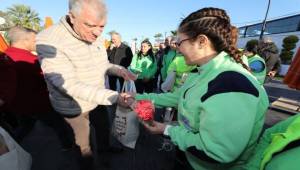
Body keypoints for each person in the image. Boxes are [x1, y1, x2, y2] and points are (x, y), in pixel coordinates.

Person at [123, 7, 269, 169]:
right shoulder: (201, 71)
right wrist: (136, 97)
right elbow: (177, 97)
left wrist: (167, 130)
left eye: (180, 43)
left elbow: (216, 151)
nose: (177, 48)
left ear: (202, 41)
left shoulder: (231, 84)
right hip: (190, 156)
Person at [36, 0, 135, 158]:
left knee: (103, 129)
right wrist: (114, 97)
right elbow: (68, 84)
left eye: (102, 26)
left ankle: (105, 151)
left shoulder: (97, 37)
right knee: (83, 148)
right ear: (72, 17)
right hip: (72, 106)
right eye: (90, 25)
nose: (97, 33)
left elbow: (103, 64)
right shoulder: (49, 39)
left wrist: (119, 70)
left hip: (97, 99)